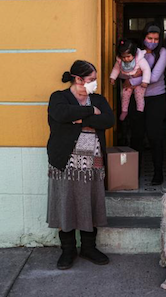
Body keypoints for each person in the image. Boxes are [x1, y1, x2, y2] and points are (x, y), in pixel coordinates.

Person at [46, 60, 115, 270]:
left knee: (90, 203)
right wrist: (89, 112)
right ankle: (67, 250)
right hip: (65, 160)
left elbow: (108, 120)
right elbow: (60, 115)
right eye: (91, 80)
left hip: (93, 163)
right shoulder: (59, 98)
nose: (94, 83)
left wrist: (78, 119)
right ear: (78, 79)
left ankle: (88, 247)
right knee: (66, 202)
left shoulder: (98, 99)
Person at [126, 23, 166, 185]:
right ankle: (132, 173)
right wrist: (130, 79)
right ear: (143, 37)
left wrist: (132, 81)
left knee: (154, 136)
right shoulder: (136, 52)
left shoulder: (162, 52)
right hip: (136, 98)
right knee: (136, 136)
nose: (152, 41)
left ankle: (158, 173)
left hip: (156, 99)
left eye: (156, 39)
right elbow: (124, 70)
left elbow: (155, 77)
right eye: (149, 38)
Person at [110, 39, 152, 121]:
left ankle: (140, 110)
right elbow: (116, 69)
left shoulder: (140, 60)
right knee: (125, 95)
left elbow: (146, 69)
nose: (125, 59)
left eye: (128, 56)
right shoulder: (120, 61)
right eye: (123, 57)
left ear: (134, 54)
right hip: (128, 82)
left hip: (139, 83)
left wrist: (145, 81)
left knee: (139, 95)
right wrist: (112, 77)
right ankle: (124, 111)